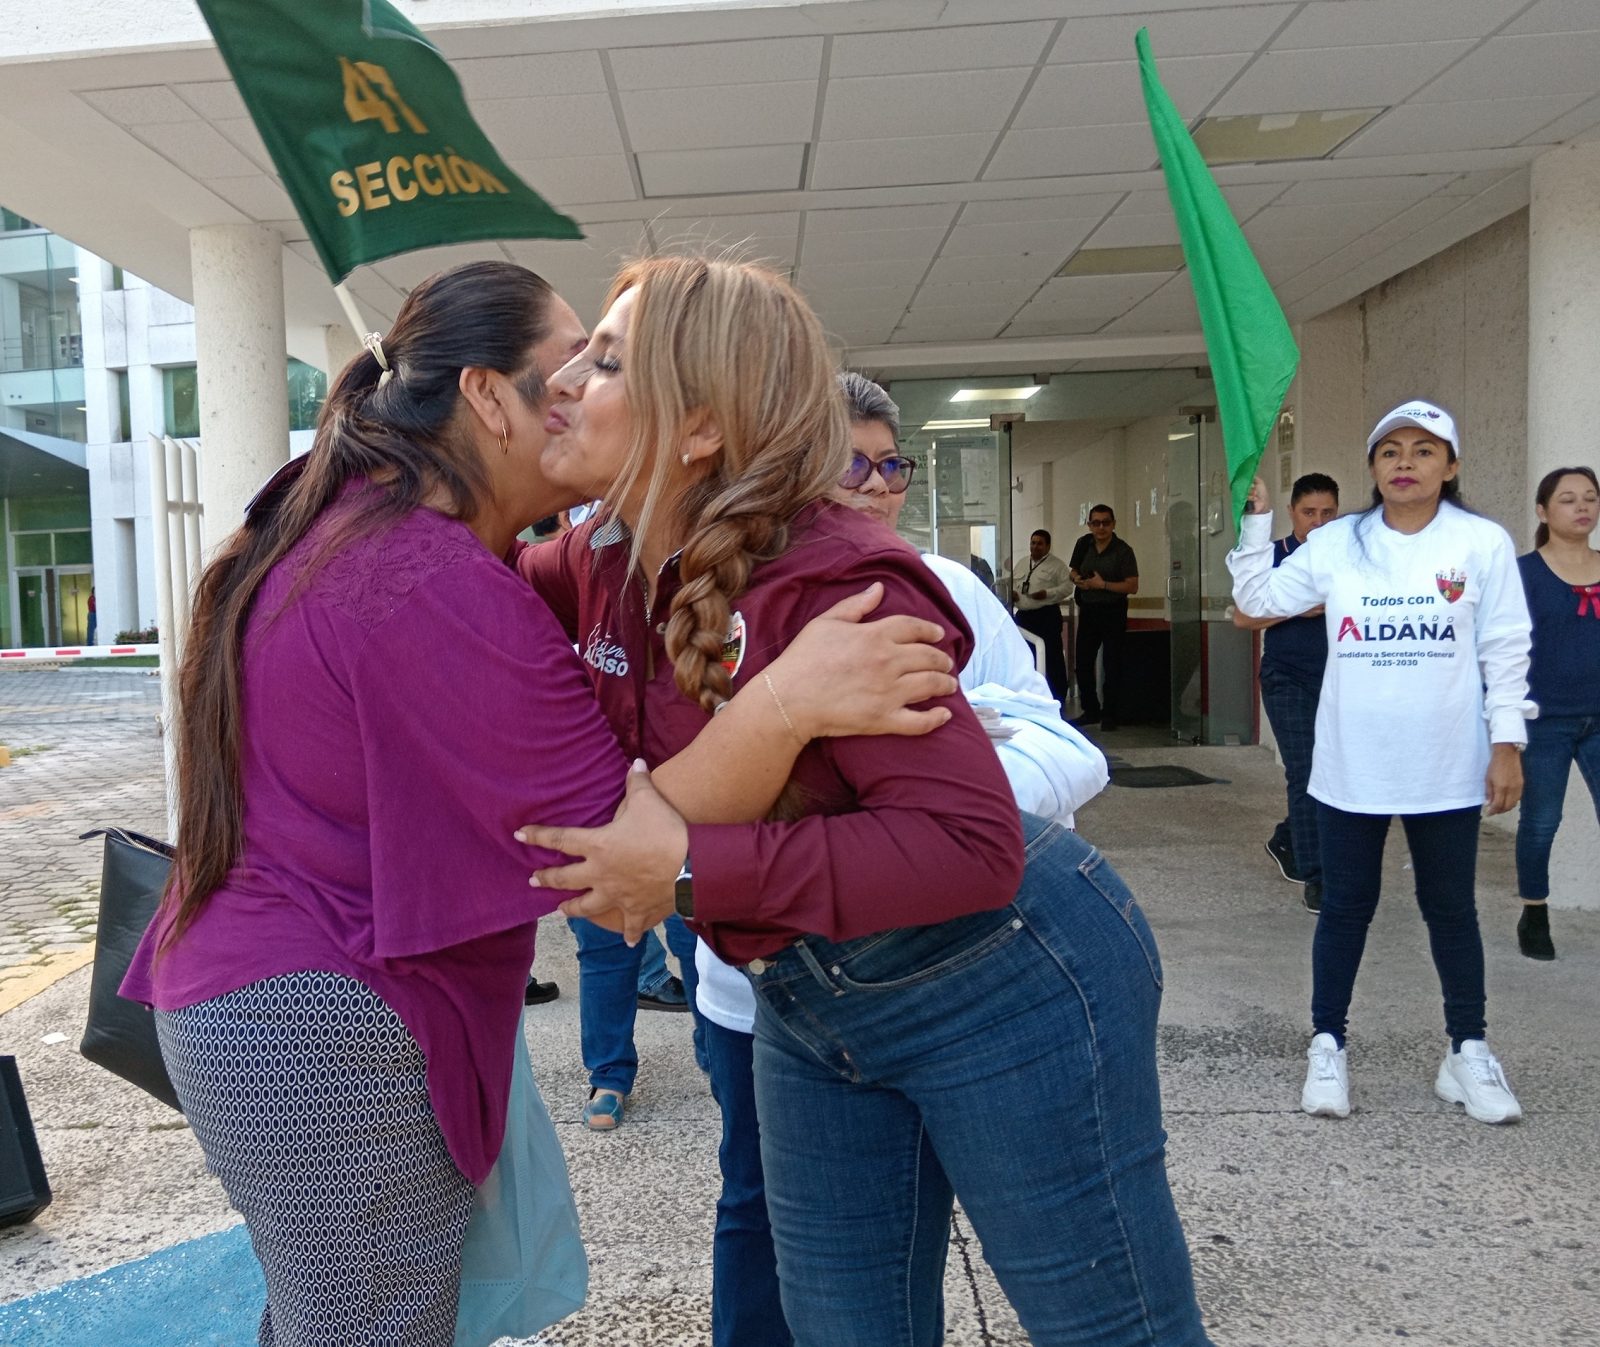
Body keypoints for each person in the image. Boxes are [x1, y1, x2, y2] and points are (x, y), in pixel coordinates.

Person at [116, 261, 961, 1346]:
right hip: (319, 1022)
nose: (585, 394)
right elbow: (613, 863)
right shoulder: (427, 576)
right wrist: (784, 704)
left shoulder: (351, 516)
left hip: (269, 1002)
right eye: (571, 370)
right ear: (482, 398)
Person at [518, 256, 1212, 1347]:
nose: (561, 381)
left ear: (697, 427)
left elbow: (970, 846)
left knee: (1109, 1331)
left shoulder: (839, 580)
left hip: (1007, 983)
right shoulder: (600, 553)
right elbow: (447, 577)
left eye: (603, 363)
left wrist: (690, 869)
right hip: (804, 996)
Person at [686, 370, 1110, 1347]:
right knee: (759, 1215)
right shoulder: (708, 601)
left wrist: (932, 806)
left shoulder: (942, 591)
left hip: (927, 976)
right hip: (756, 989)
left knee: (915, 1235)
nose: (877, 488)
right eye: (850, 466)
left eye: (891, 467)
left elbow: (1071, 753)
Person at [1230, 399, 1532, 1126]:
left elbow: (1505, 648)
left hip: (1446, 766)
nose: (1406, 462)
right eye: (1391, 450)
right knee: (1345, 907)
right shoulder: (1341, 543)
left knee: (1451, 910)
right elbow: (1253, 605)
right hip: (1352, 766)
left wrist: (1506, 742)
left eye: (1424, 451)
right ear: (1373, 467)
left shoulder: (1481, 543)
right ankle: (1328, 1044)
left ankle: (1467, 1050)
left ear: (1451, 466)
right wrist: (1254, 521)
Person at [1231, 473, 1340, 912]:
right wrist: (1296, 608)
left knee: (1332, 772)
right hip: (1286, 676)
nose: (1318, 521)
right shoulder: (1272, 555)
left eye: (1328, 513)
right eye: (1309, 512)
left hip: (1338, 679)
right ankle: (1317, 875)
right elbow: (1243, 617)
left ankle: (1287, 837)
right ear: (1293, 512)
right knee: (1305, 769)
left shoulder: (1344, 557)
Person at [1514, 465, 1600, 960]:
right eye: (1568, 499)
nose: (1582, 507)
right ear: (1544, 511)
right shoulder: (1523, 574)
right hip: (1544, 719)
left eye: (1589, 498)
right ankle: (1535, 913)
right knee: (1542, 821)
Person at [1069, 505, 1139, 730]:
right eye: (1096, 523)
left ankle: (1110, 714)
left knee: (1112, 664)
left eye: (1105, 522)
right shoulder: (1083, 544)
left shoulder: (1123, 550)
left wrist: (1103, 584)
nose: (1100, 527)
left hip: (1113, 611)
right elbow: (1073, 570)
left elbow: (1133, 585)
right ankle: (1091, 710)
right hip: (1088, 610)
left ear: (1113, 524)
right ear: (1089, 524)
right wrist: (1078, 580)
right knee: (1082, 663)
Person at [1008, 528, 1072, 706]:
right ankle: (1029, 695)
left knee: (1051, 657)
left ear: (1048, 546)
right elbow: (1013, 583)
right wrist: (1012, 594)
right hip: (1023, 616)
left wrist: (1047, 593)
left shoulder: (1057, 566)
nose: (1035, 547)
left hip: (1046, 616)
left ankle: (1057, 697)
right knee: (1025, 656)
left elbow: (1067, 588)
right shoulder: (1022, 563)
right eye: (1033, 543)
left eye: (1040, 544)